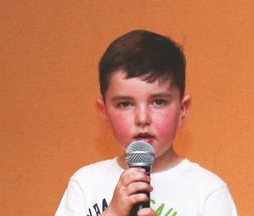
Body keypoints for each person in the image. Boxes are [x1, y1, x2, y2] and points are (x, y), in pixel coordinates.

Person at [55, 30, 237, 216]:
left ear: (182, 110)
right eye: (125, 104)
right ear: (105, 113)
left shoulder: (208, 192)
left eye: (158, 102)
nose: (142, 118)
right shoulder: (85, 183)